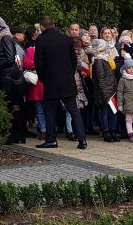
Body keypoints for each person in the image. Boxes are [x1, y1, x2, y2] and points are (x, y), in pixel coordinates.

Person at [34, 16, 87, 149]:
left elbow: (39, 62)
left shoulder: (41, 40)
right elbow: (74, 60)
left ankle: (51, 139)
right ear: (54, 24)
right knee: (74, 111)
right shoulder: (66, 39)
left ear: (42, 26)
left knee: (50, 111)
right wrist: (69, 74)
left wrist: (43, 78)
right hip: (67, 81)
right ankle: (82, 140)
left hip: (50, 81)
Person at [0, 16, 27, 144]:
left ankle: (16, 134)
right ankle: (19, 134)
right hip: (6, 76)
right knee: (14, 105)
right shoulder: (3, 37)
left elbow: (10, 58)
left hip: (8, 77)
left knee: (12, 106)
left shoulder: (5, 38)